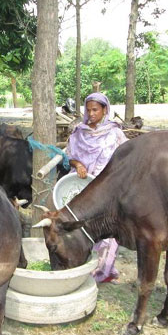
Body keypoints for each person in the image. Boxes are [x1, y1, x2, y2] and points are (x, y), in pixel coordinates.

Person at [65, 92, 128, 283]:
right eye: (88, 109)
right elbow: (70, 155)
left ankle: (103, 269)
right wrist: (78, 165)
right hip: (81, 186)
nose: (91, 114)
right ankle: (81, 262)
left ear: (105, 110)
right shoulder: (79, 132)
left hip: (107, 187)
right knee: (81, 226)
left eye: (95, 110)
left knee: (106, 228)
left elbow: (126, 157)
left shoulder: (115, 133)